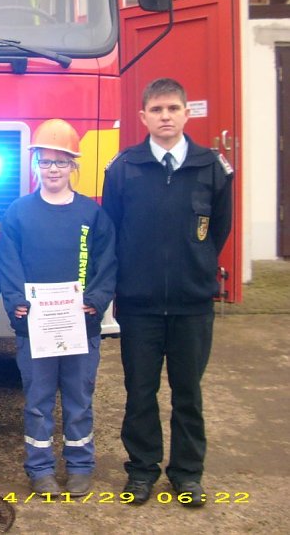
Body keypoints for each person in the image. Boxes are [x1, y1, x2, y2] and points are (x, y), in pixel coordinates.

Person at [102, 78, 233, 507]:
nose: (165, 117)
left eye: (173, 109)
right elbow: (112, 230)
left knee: (188, 394)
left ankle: (187, 475)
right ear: (143, 117)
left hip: (192, 305)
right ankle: (141, 472)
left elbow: (218, 230)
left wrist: (195, 272)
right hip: (138, 306)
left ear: (186, 114)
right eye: (156, 110)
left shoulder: (210, 167)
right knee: (140, 392)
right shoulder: (124, 168)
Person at [0, 119, 116, 497]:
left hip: (81, 327)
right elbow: (9, 262)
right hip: (36, 329)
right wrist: (16, 301)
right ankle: (40, 467)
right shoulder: (18, 212)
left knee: (79, 399)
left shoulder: (92, 215)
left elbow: (107, 264)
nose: (52, 169)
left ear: (73, 167)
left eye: (60, 162)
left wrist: (95, 302)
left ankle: (81, 465)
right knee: (38, 401)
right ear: (34, 165)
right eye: (46, 162)